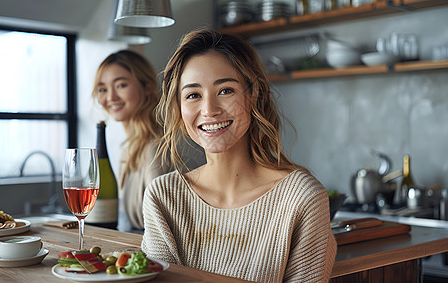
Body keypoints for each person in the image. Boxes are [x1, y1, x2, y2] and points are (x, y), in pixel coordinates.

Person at [142, 29, 337, 282]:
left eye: (225, 90)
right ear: (178, 109)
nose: (209, 110)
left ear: (252, 96)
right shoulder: (163, 196)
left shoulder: (302, 198)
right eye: (193, 95)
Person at [92, 50, 168, 232]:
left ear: (148, 86)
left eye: (121, 85)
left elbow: (160, 222)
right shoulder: (131, 147)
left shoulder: (156, 145)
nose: (110, 97)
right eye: (103, 89)